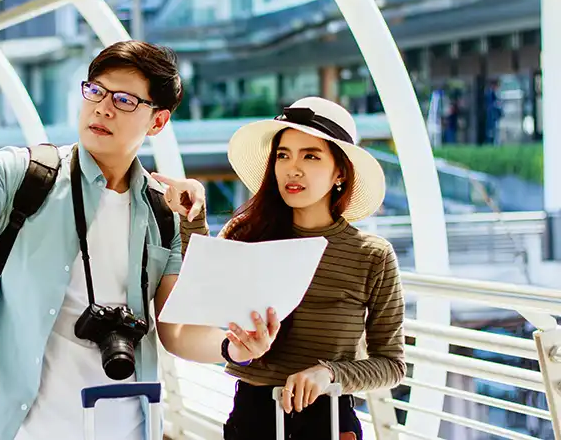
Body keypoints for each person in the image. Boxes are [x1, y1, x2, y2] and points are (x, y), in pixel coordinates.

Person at [0, 40, 280, 440]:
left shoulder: (162, 212)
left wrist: (232, 347)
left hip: (128, 428)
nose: (104, 109)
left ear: (158, 120)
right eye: (96, 91)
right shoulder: (24, 175)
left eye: (125, 100)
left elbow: (177, 333)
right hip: (23, 430)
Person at [154, 96, 406, 439]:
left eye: (311, 156)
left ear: (340, 173)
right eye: (283, 155)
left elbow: (391, 365)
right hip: (251, 419)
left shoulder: (371, 255)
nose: (293, 168)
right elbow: (202, 300)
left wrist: (329, 374)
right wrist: (192, 220)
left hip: (329, 423)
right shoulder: (246, 235)